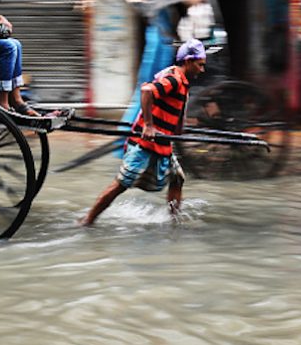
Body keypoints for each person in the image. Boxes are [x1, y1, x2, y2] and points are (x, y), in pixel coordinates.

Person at [79, 39, 207, 226]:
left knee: (177, 177)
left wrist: (178, 130)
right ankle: (87, 220)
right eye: (200, 64)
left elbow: (175, 111)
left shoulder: (182, 81)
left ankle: (174, 220)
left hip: (162, 142)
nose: (202, 70)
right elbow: (147, 91)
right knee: (120, 185)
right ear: (188, 61)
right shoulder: (174, 79)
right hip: (145, 142)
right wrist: (148, 125)